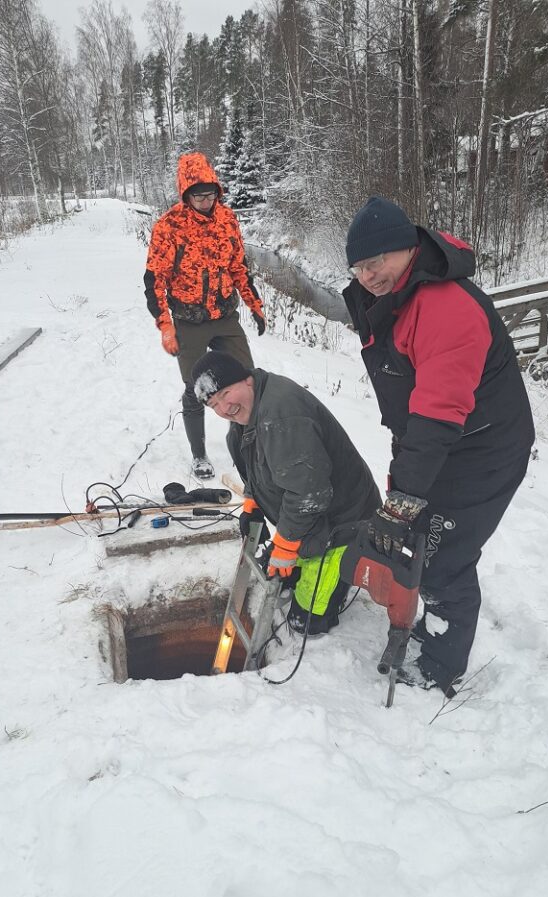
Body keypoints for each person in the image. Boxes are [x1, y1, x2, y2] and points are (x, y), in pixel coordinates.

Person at [343, 197, 535, 696]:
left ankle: (440, 667)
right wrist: (404, 483)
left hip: (484, 448)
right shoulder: (395, 299)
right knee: (422, 539)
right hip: (436, 440)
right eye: (359, 267)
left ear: (408, 248)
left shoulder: (446, 307)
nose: (367, 275)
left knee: (445, 555)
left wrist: (403, 498)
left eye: (377, 261)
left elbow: (438, 411)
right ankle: (426, 619)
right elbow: (414, 403)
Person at [190, 351, 381, 635]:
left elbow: (310, 493)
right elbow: (258, 463)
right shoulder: (251, 408)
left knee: (306, 622)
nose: (222, 409)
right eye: (213, 404)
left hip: (340, 525)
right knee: (282, 573)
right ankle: (301, 558)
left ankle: (334, 590)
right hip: (311, 519)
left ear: (246, 379)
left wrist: (287, 544)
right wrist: (253, 504)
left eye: (225, 394)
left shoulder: (280, 415)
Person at [144, 152, 266, 481]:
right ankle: (199, 455)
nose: (205, 200)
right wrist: (166, 326)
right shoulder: (169, 226)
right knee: (196, 386)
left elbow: (239, 267)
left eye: (210, 194)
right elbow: (154, 280)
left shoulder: (227, 219)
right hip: (189, 318)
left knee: (247, 379)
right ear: (186, 194)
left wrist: (254, 304)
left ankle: (251, 447)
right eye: (198, 195)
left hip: (224, 314)